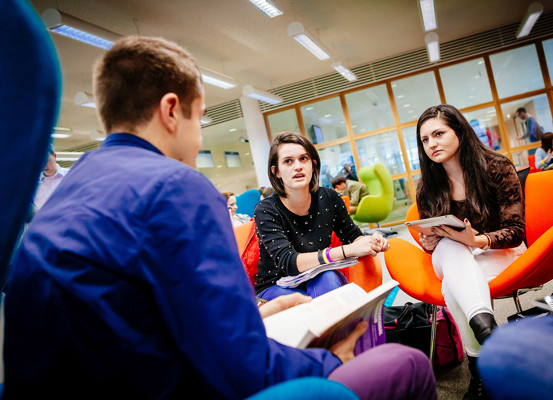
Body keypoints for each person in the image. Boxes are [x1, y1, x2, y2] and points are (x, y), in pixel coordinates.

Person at [4, 36, 436, 400]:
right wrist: (329, 360)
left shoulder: (62, 196)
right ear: (172, 110)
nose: (198, 135)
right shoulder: (177, 187)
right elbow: (241, 367)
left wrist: (257, 314)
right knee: (406, 363)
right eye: (202, 116)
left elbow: (137, 319)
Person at [415, 104, 526, 399]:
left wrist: (478, 241)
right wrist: (430, 240)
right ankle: (488, 332)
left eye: (438, 134)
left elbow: (516, 231)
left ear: (460, 132)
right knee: (450, 247)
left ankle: (480, 367)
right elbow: (433, 238)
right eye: (425, 139)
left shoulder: (497, 167)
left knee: (454, 285)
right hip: (452, 255)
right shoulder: (428, 185)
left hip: (497, 251)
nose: (431, 144)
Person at [253, 132, 390, 300]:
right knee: (307, 302)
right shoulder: (265, 209)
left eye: (303, 159)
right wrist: (346, 250)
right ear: (277, 172)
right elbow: (288, 261)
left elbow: (352, 236)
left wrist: (370, 241)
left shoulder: (329, 197)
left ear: (313, 164)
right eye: (288, 161)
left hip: (319, 277)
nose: (298, 166)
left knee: (329, 278)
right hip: (277, 284)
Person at [478, 225, 553, 400]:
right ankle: (483, 335)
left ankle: (481, 341)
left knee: (503, 349)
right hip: (463, 252)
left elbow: (516, 230)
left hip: (498, 247)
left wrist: (476, 239)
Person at [32, 144, 69, 210]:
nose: (44, 165)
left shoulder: (70, 175)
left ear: (54, 156)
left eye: (46, 160)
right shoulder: (33, 183)